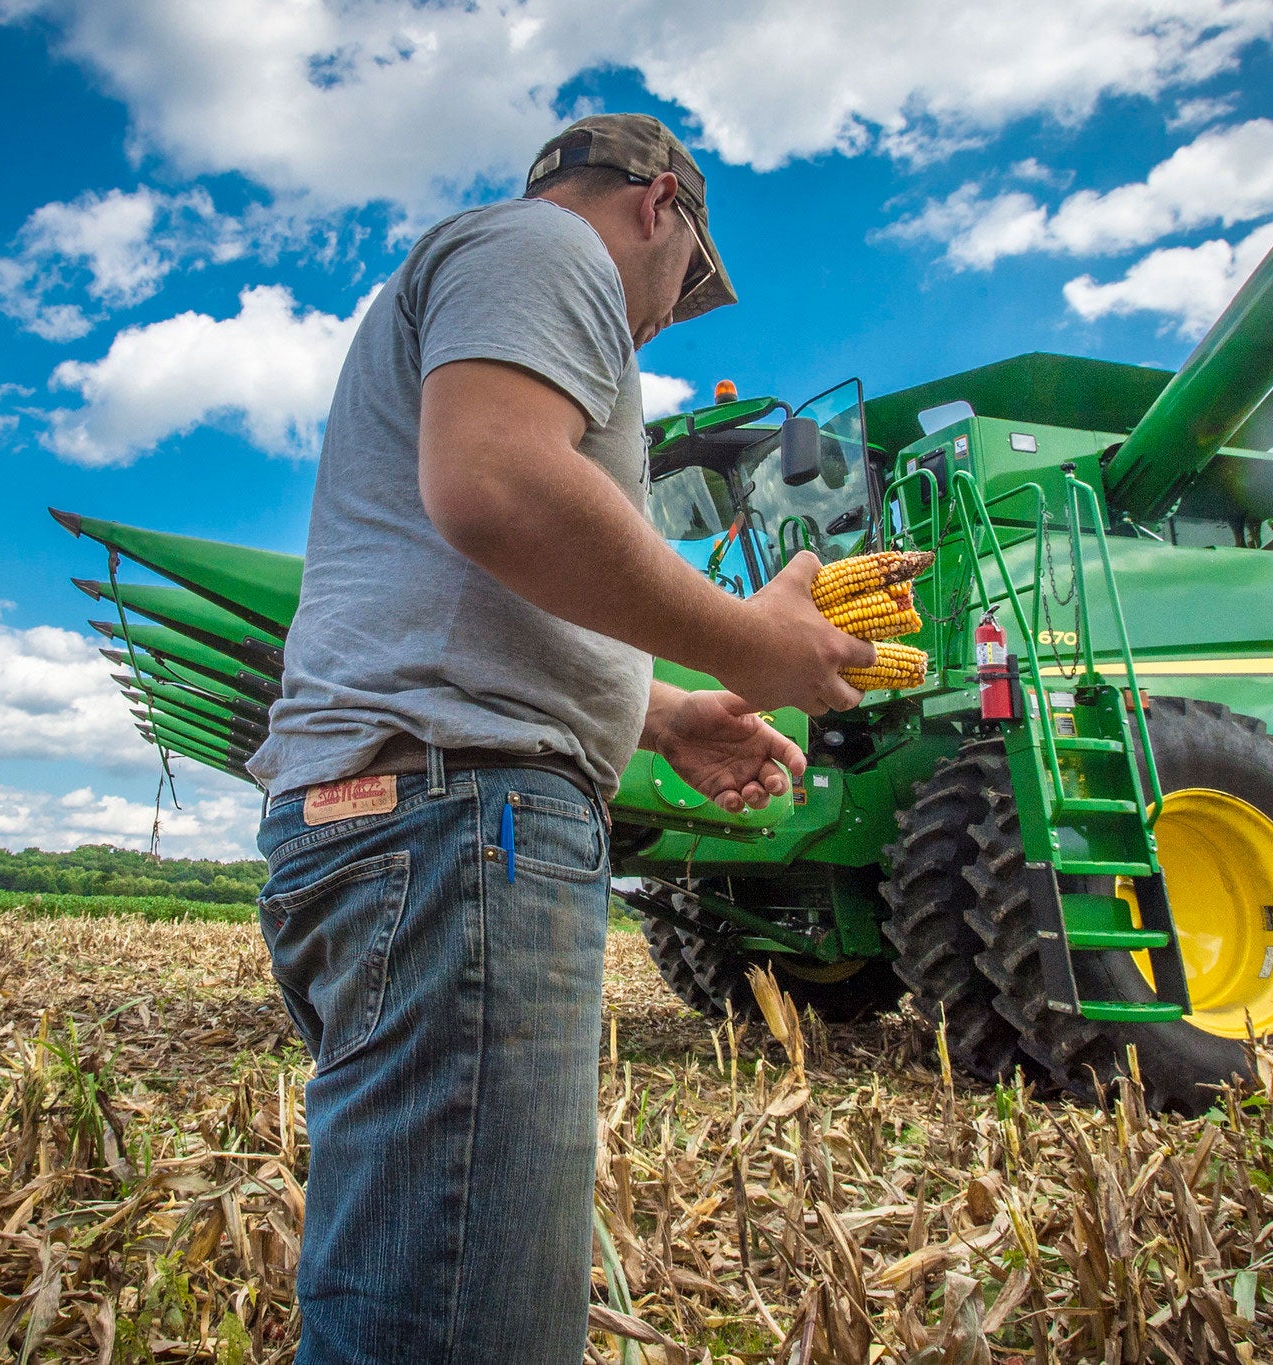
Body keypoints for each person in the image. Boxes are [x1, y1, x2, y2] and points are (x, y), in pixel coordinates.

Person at [246, 113, 875, 1362]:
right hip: (456, 825)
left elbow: (476, 580)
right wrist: (755, 649)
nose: (658, 324)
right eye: (680, 290)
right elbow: (497, 486)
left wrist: (665, 710)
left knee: (417, 1292)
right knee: (469, 1332)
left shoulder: (486, 274)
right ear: (658, 210)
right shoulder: (548, 249)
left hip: (406, 821)